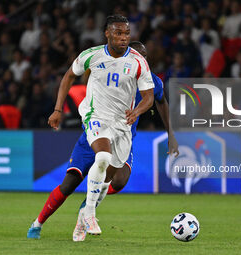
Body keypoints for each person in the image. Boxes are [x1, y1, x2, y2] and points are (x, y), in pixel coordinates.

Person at [27, 15, 154, 239]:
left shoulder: (138, 62)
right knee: (97, 162)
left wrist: (137, 111)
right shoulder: (91, 55)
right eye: (118, 33)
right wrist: (57, 110)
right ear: (107, 33)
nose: (123, 38)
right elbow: (68, 76)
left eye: (126, 33)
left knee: (108, 180)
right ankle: (51, 221)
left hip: (121, 125)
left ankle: (84, 215)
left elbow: (150, 97)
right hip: (95, 117)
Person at [72, 41, 180, 242]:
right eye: (137, 55)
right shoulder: (115, 74)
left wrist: (170, 135)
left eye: (144, 57)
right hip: (102, 126)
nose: (141, 60)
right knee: (100, 161)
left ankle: (85, 212)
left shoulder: (152, 81)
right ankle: (87, 214)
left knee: (119, 181)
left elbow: (161, 102)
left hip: (125, 133)